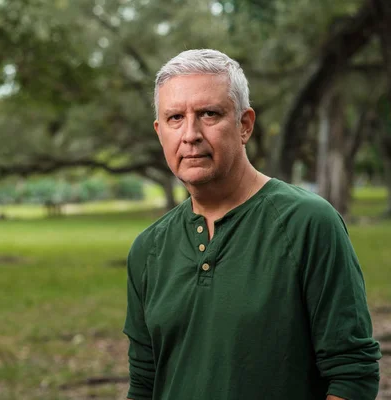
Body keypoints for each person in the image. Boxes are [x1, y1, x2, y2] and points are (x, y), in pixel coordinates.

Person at [123, 49, 381, 400]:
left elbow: (353, 373)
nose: (190, 134)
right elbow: (143, 384)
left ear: (244, 125)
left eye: (209, 114)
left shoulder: (308, 224)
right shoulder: (148, 249)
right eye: (174, 118)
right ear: (159, 132)